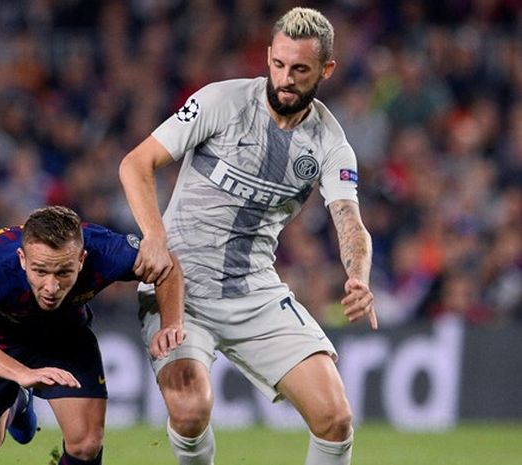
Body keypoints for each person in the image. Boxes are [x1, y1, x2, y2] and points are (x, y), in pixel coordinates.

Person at [119, 7, 377, 465]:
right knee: (191, 410)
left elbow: (349, 221)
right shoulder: (221, 102)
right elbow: (136, 164)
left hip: (253, 290)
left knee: (335, 419)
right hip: (180, 286)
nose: (285, 78)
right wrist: (154, 236)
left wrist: (358, 277)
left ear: (326, 70)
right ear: (268, 57)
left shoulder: (330, 145)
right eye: (278, 64)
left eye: (300, 69)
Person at [0, 205, 185, 464]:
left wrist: (170, 323)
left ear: (81, 259)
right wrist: (22, 374)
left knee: (86, 444)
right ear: (22, 259)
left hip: (62, 336)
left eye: (64, 272)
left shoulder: (105, 250)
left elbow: (166, 264)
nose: (52, 287)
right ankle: (18, 402)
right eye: (41, 271)